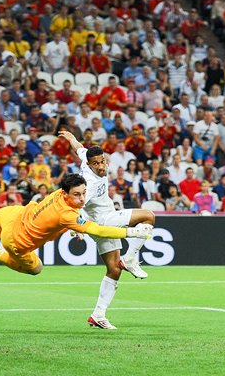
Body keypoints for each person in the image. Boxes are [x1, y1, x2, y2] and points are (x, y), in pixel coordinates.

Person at [0, 174, 152, 327]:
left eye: (84, 193)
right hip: (16, 241)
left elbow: (70, 221)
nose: (82, 198)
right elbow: (100, 231)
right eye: (77, 195)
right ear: (65, 193)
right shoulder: (67, 214)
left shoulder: (59, 196)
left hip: (14, 214)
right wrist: (131, 233)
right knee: (36, 269)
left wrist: (76, 229)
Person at [58, 131, 155, 329]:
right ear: (90, 165)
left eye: (103, 161)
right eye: (97, 164)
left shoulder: (87, 158)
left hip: (102, 222)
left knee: (114, 269)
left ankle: (98, 315)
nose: (101, 166)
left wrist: (70, 137)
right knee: (148, 216)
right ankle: (129, 258)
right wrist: (76, 229)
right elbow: (76, 206)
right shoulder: (88, 184)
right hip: (104, 221)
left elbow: (78, 148)